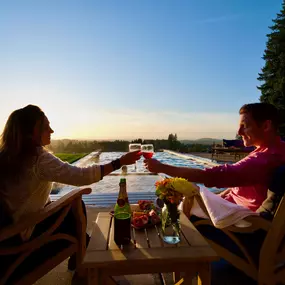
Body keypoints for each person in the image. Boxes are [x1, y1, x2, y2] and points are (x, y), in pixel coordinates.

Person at [0, 104, 141, 270]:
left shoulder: (8, 157)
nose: (51, 131)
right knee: (76, 206)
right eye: (45, 127)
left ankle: (84, 252)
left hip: (7, 240)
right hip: (21, 246)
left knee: (71, 213)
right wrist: (120, 162)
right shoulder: (39, 159)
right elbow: (81, 176)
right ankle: (85, 261)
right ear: (31, 133)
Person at [144, 103, 285, 211]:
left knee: (175, 203)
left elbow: (210, 175)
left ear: (266, 126)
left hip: (239, 221)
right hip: (228, 205)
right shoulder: (273, 148)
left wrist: (161, 167)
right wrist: (218, 196)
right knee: (182, 192)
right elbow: (239, 183)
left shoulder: (266, 158)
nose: (239, 131)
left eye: (245, 126)